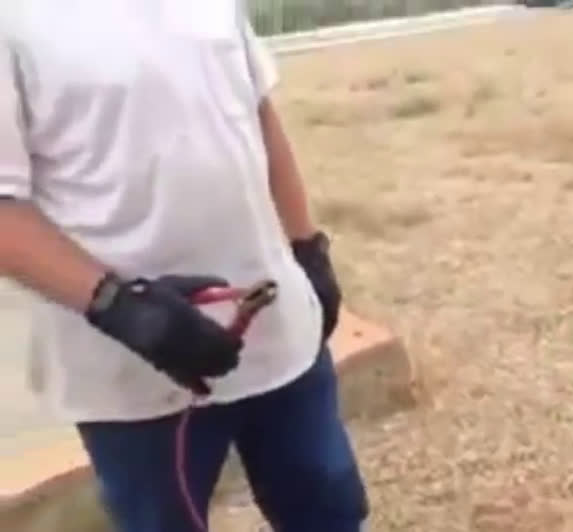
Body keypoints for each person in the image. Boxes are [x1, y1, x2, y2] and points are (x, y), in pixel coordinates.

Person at [0, 1, 369, 531]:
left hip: (278, 331)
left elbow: (259, 114)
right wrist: (122, 308)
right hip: (136, 370)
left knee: (330, 512)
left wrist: (307, 247)